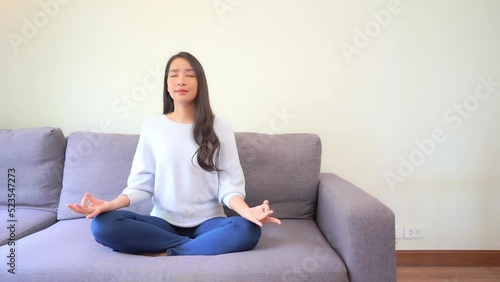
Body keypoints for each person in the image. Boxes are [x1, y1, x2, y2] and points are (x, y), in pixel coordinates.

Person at [67, 51, 281, 256]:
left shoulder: (220, 127)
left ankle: (168, 251)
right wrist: (110, 205)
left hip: (209, 223)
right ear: (167, 85)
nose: (181, 81)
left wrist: (246, 212)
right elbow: (141, 185)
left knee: (248, 229)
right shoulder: (152, 127)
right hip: (163, 223)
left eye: (189, 75)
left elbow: (230, 186)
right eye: (173, 75)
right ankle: (194, 247)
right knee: (104, 225)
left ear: (200, 84)